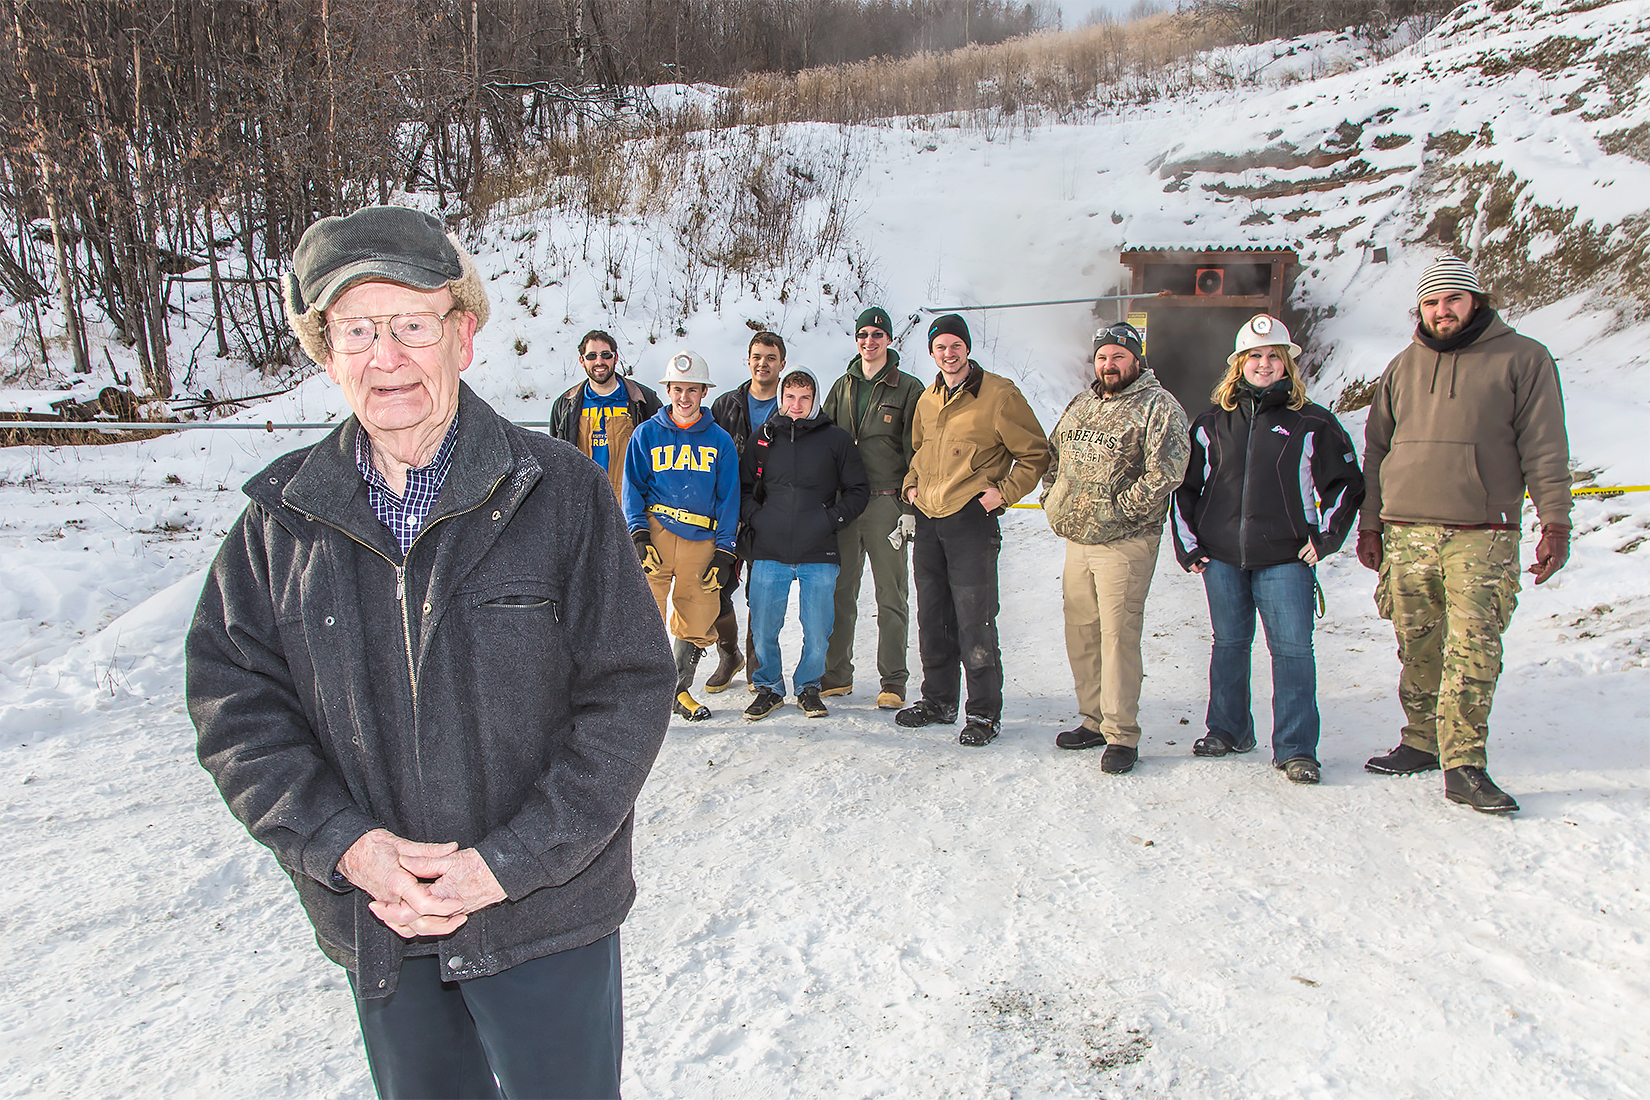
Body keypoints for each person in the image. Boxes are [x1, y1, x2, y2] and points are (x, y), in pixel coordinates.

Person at [187, 205, 673, 1100]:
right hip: (382, 921)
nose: (386, 356)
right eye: (356, 330)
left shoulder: (558, 492)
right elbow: (237, 709)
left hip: (543, 915)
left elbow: (630, 691)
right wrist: (348, 847)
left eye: (412, 324)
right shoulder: (280, 523)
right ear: (324, 352)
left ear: (464, 336)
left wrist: (507, 863)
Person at [1356, 256, 1572, 814]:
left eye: (1452, 299)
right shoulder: (1402, 366)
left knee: (1473, 645)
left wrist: (1555, 523)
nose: (1442, 310)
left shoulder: (1522, 358)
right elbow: (1378, 450)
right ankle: (1422, 741)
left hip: (1481, 532)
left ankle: (1464, 763)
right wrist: (1372, 524)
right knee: (1418, 642)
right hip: (1406, 531)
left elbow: (1545, 447)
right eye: (1431, 302)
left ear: (1475, 301)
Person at [1171, 315, 1364, 785]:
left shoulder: (1313, 422)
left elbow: (1347, 485)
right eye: (1255, 355)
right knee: (1230, 646)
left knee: (1293, 651)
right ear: (1239, 364)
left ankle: (1296, 748)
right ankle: (1228, 730)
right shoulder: (1211, 423)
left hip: (1286, 559)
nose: (1264, 363)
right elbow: (1185, 489)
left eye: (1274, 355)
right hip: (1221, 557)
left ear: (1287, 364)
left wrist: (1326, 537)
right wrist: (1188, 544)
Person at [1040, 322, 1189, 775]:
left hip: (1125, 542)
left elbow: (1167, 469)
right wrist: (1052, 495)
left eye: (1118, 357)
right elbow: (1053, 454)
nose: (1109, 364)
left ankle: (1121, 733)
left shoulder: (1157, 406)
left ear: (1136, 359)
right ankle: (1094, 718)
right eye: (1103, 356)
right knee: (1081, 632)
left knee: (1117, 636)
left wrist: (1122, 507)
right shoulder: (1082, 403)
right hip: (1078, 541)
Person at [897, 314, 1050, 746]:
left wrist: (1003, 492)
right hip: (929, 520)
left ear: (967, 347)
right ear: (931, 352)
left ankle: (983, 713)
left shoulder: (998, 395)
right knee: (932, 618)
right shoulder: (927, 399)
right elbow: (920, 451)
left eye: (955, 345)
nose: (949, 353)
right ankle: (938, 700)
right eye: (940, 347)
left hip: (970, 519)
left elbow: (1036, 453)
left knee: (974, 620)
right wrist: (911, 483)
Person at [740, 368, 870, 720]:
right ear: (781, 398)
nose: (796, 405)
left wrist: (830, 520)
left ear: (814, 401)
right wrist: (758, 518)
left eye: (804, 398)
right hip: (770, 549)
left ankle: (809, 686)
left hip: (818, 549)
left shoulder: (836, 440)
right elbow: (744, 489)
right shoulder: (763, 438)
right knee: (764, 626)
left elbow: (859, 491)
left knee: (818, 628)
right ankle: (768, 687)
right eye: (790, 397)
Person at [624, 349, 741, 721]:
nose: (684, 398)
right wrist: (638, 535)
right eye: (677, 389)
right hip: (656, 531)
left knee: (698, 610)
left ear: (704, 392)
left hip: (702, 536)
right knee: (643, 611)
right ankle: (636, 693)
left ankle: (678, 690)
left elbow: (729, 499)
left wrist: (725, 553)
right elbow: (633, 489)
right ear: (669, 390)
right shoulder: (646, 434)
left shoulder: (720, 441)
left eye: (692, 390)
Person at [819, 306, 925, 710]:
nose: (869, 342)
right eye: (863, 335)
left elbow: (917, 447)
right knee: (840, 592)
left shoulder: (908, 388)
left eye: (877, 335)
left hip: (886, 504)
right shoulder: (842, 386)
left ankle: (893, 680)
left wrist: (909, 502)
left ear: (889, 340)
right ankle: (837, 674)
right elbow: (824, 439)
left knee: (891, 595)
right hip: (847, 504)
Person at [704, 331, 786, 692]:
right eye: (757, 356)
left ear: (782, 363)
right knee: (717, 586)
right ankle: (729, 652)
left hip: (775, 513)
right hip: (732, 509)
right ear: (748, 360)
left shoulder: (793, 405)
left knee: (762, 591)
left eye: (770, 357)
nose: (762, 363)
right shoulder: (725, 406)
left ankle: (757, 661)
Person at [549, 329, 662, 498]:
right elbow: (556, 461)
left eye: (605, 355)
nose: (599, 361)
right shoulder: (565, 406)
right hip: (584, 501)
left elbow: (662, 454)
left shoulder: (643, 400)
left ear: (615, 358)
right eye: (591, 356)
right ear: (582, 360)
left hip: (629, 502)